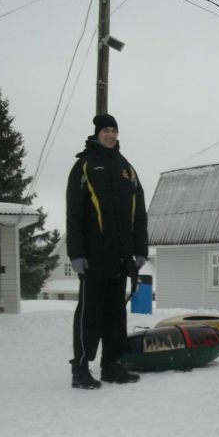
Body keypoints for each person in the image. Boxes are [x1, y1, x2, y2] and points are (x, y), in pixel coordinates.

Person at [66, 114, 147, 389]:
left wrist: (140, 250)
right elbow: (74, 214)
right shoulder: (84, 166)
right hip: (93, 257)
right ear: (97, 134)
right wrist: (76, 253)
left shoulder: (127, 169)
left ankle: (111, 365)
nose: (110, 135)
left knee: (115, 315)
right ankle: (80, 369)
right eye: (106, 131)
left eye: (114, 130)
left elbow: (139, 214)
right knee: (89, 315)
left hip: (121, 258)